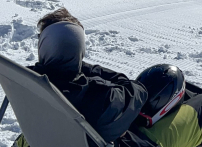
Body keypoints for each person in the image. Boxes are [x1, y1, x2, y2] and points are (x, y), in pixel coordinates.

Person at [22, 8, 148, 145]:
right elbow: (138, 91)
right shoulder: (100, 97)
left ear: (44, 46)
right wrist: (78, 63)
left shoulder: (23, 80)